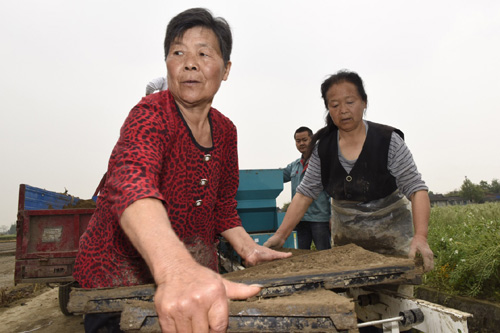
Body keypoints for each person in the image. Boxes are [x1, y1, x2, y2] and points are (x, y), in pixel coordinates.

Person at [73, 8, 291, 333]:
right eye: (178, 53)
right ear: (167, 64)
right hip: (118, 282)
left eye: (203, 53)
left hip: (190, 282)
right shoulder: (150, 115)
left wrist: (248, 249)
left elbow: (223, 208)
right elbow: (131, 183)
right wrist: (176, 269)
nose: (190, 63)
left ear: (226, 69)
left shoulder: (226, 131)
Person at [264, 70, 434, 273]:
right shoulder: (323, 148)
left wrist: (421, 237)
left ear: (364, 102)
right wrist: (281, 235)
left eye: (350, 102)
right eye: (335, 105)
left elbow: (416, 189)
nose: (343, 110)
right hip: (347, 243)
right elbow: (304, 194)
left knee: (393, 295)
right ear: (328, 108)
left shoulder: (388, 141)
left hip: (391, 239)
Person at [283, 126, 331, 250]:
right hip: (300, 219)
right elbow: (276, 177)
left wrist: (333, 216)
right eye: (298, 141)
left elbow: (332, 191)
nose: (301, 143)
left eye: (304, 139)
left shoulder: (322, 162)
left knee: (324, 254)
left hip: (319, 219)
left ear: (312, 139)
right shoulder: (294, 166)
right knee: (301, 255)